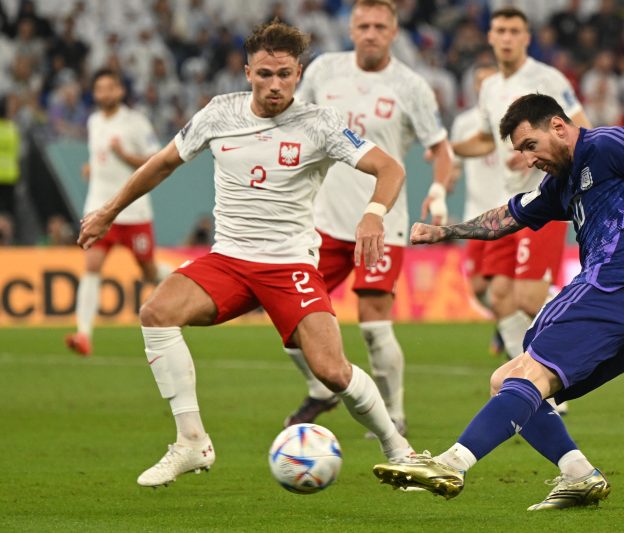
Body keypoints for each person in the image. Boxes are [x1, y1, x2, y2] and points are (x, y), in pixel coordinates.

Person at [373, 93, 624, 510]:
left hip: (610, 289)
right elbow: (507, 217)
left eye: (529, 146)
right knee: (508, 381)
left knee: (527, 374)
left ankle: (453, 463)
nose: (526, 159)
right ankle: (578, 474)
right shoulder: (562, 184)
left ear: (558, 126)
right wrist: (446, 232)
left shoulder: (612, 145)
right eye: (520, 151)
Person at [77, 21, 414, 488]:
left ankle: (400, 450)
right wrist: (109, 211)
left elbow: (389, 167)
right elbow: (162, 163)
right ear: (246, 72)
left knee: (332, 371)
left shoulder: (321, 124)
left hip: (289, 264)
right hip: (229, 260)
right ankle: (191, 441)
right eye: (263, 74)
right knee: (156, 313)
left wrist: (374, 214)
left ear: (299, 72)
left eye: (284, 74)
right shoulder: (219, 114)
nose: (274, 85)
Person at [282, 0, 454, 436]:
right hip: (321, 220)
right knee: (290, 318)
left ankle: (393, 414)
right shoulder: (324, 72)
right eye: (364, 25)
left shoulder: (411, 85)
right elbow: (293, 124)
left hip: (381, 220)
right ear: (351, 28)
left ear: (394, 31)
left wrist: (438, 189)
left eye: (380, 26)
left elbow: (440, 147)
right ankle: (320, 390)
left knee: (375, 326)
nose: (371, 33)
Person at [450, 7, 592, 414]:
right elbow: (483, 141)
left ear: (527, 37)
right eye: (500, 30)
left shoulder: (548, 79)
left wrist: (540, 151)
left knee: (529, 297)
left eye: (515, 30)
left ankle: (601, 309)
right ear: (490, 38)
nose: (507, 37)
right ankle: (532, 387)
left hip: (544, 198)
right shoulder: (490, 87)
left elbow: (582, 129)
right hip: (510, 205)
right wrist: (446, 147)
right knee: (499, 296)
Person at [65, 68, 164, 357]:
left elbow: (156, 159)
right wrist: (92, 167)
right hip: (99, 209)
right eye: (99, 89)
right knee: (92, 265)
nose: (104, 93)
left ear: (120, 91)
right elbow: (101, 157)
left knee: (149, 271)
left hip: (133, 211)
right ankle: (83, 335)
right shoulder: (94, 121)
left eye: (110, 88)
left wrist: (125, 156)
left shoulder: (135, 122)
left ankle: (189, 282)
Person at [450, 63, 506, 352]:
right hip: (475, 215)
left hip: (505, 214)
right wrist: (445, 183)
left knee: (502, 288)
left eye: (490, 81)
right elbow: (455, 165)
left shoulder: (511, 118)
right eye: (479, 82)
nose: (484, 87)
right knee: (478, 289)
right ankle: (504, 323)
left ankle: (511, 332)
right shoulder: (464, 123)